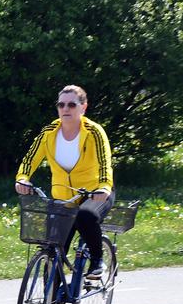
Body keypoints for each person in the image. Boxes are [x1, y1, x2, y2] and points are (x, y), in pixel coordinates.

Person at [14, 84, 114, 280]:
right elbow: (30, 158)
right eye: (61, 105)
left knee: (85, 215)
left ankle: (97, 260)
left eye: (71, 104)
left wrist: (104, 186)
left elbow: (105, 162)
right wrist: (22, 178)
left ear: (83, 107)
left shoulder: (94, 132)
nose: (65, 109)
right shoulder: (49, 132)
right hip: (63, 198)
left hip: (94, 193)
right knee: (53, 250)